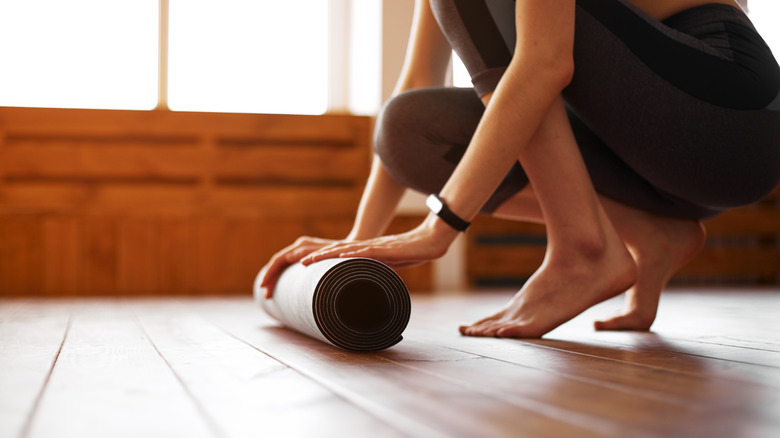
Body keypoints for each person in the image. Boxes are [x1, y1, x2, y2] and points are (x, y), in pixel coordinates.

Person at [259, 0, 780, 338]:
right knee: (408, 128)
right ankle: (649, 232)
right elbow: (415, 81)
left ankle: (584, 248)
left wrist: (440, 227)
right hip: (647, 156)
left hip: (733, 122)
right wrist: (354, 247)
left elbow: (545, 62)